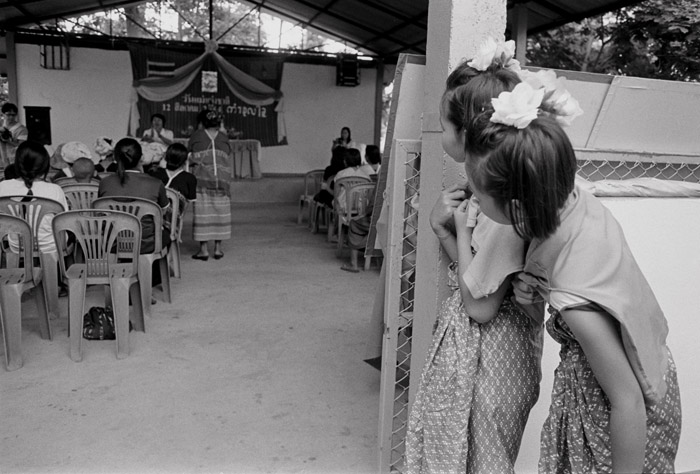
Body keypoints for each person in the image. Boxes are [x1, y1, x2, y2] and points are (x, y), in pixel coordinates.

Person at [463, 78, 681, 473]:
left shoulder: (576, 300)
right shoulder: (570, 197)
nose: (474, 200)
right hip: (645, 371)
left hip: (617, 417)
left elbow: (627, 400)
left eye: (479, 194)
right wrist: (533, 296)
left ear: (514, 206)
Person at [405, 41, 543, 474]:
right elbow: (479, 275)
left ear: (467, 134)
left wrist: (457, 230)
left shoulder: (503, 207)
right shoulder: (489, 197)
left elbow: (480, 306)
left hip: (490, 365)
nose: (439, 131)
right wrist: (446, 231)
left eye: (445, 124)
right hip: (485, 359)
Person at [98, 138, 170, 255]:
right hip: (146, 243)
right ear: (141, 157)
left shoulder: (104, 183)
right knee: (166, 233)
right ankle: (155, 270)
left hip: (112, 243)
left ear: (115, 159)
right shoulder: (155, 183)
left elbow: (101, 211)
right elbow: (163, 211)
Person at [0, 141, 68, 255]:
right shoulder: (55, 190)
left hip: (17, 245)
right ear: (45, 165)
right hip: (50, 246)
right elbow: (63, 222)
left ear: (17, 163)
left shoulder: (2, 187)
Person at [187, 110, 232, 261]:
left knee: (203, 214)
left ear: (202, 122)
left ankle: (204, 250)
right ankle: (218, 249)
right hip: (222, 183)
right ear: (219, 123)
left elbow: (190, 154)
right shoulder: (224, 137)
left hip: (202, 181)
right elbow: (227, 154)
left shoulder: (197, 136)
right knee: (220, 214)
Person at [0, 103, 29, 170]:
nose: (11, 117)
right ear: (3, 114)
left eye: (13, 115)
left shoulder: (21, 129)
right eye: (8, 114)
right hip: (2, 157)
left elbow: (22, 145)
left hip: (15, 159)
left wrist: (8, 141)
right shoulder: (1, 124)